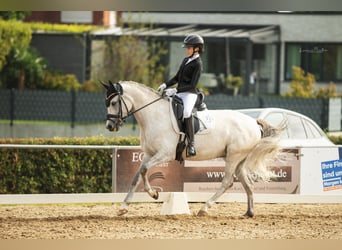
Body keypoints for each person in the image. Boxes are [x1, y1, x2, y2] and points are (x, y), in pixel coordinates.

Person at [157, 34, 204, 157]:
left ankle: (191, 144)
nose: (186, 50)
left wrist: (175, 91)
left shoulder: (198, 63)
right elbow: (177, 77)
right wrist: (165, 85)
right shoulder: (186, 60)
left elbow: (193, 84)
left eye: (189, 48)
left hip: (190, 94)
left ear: (196, 49)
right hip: (179, 92)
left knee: (187, 113)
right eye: (186, 48)